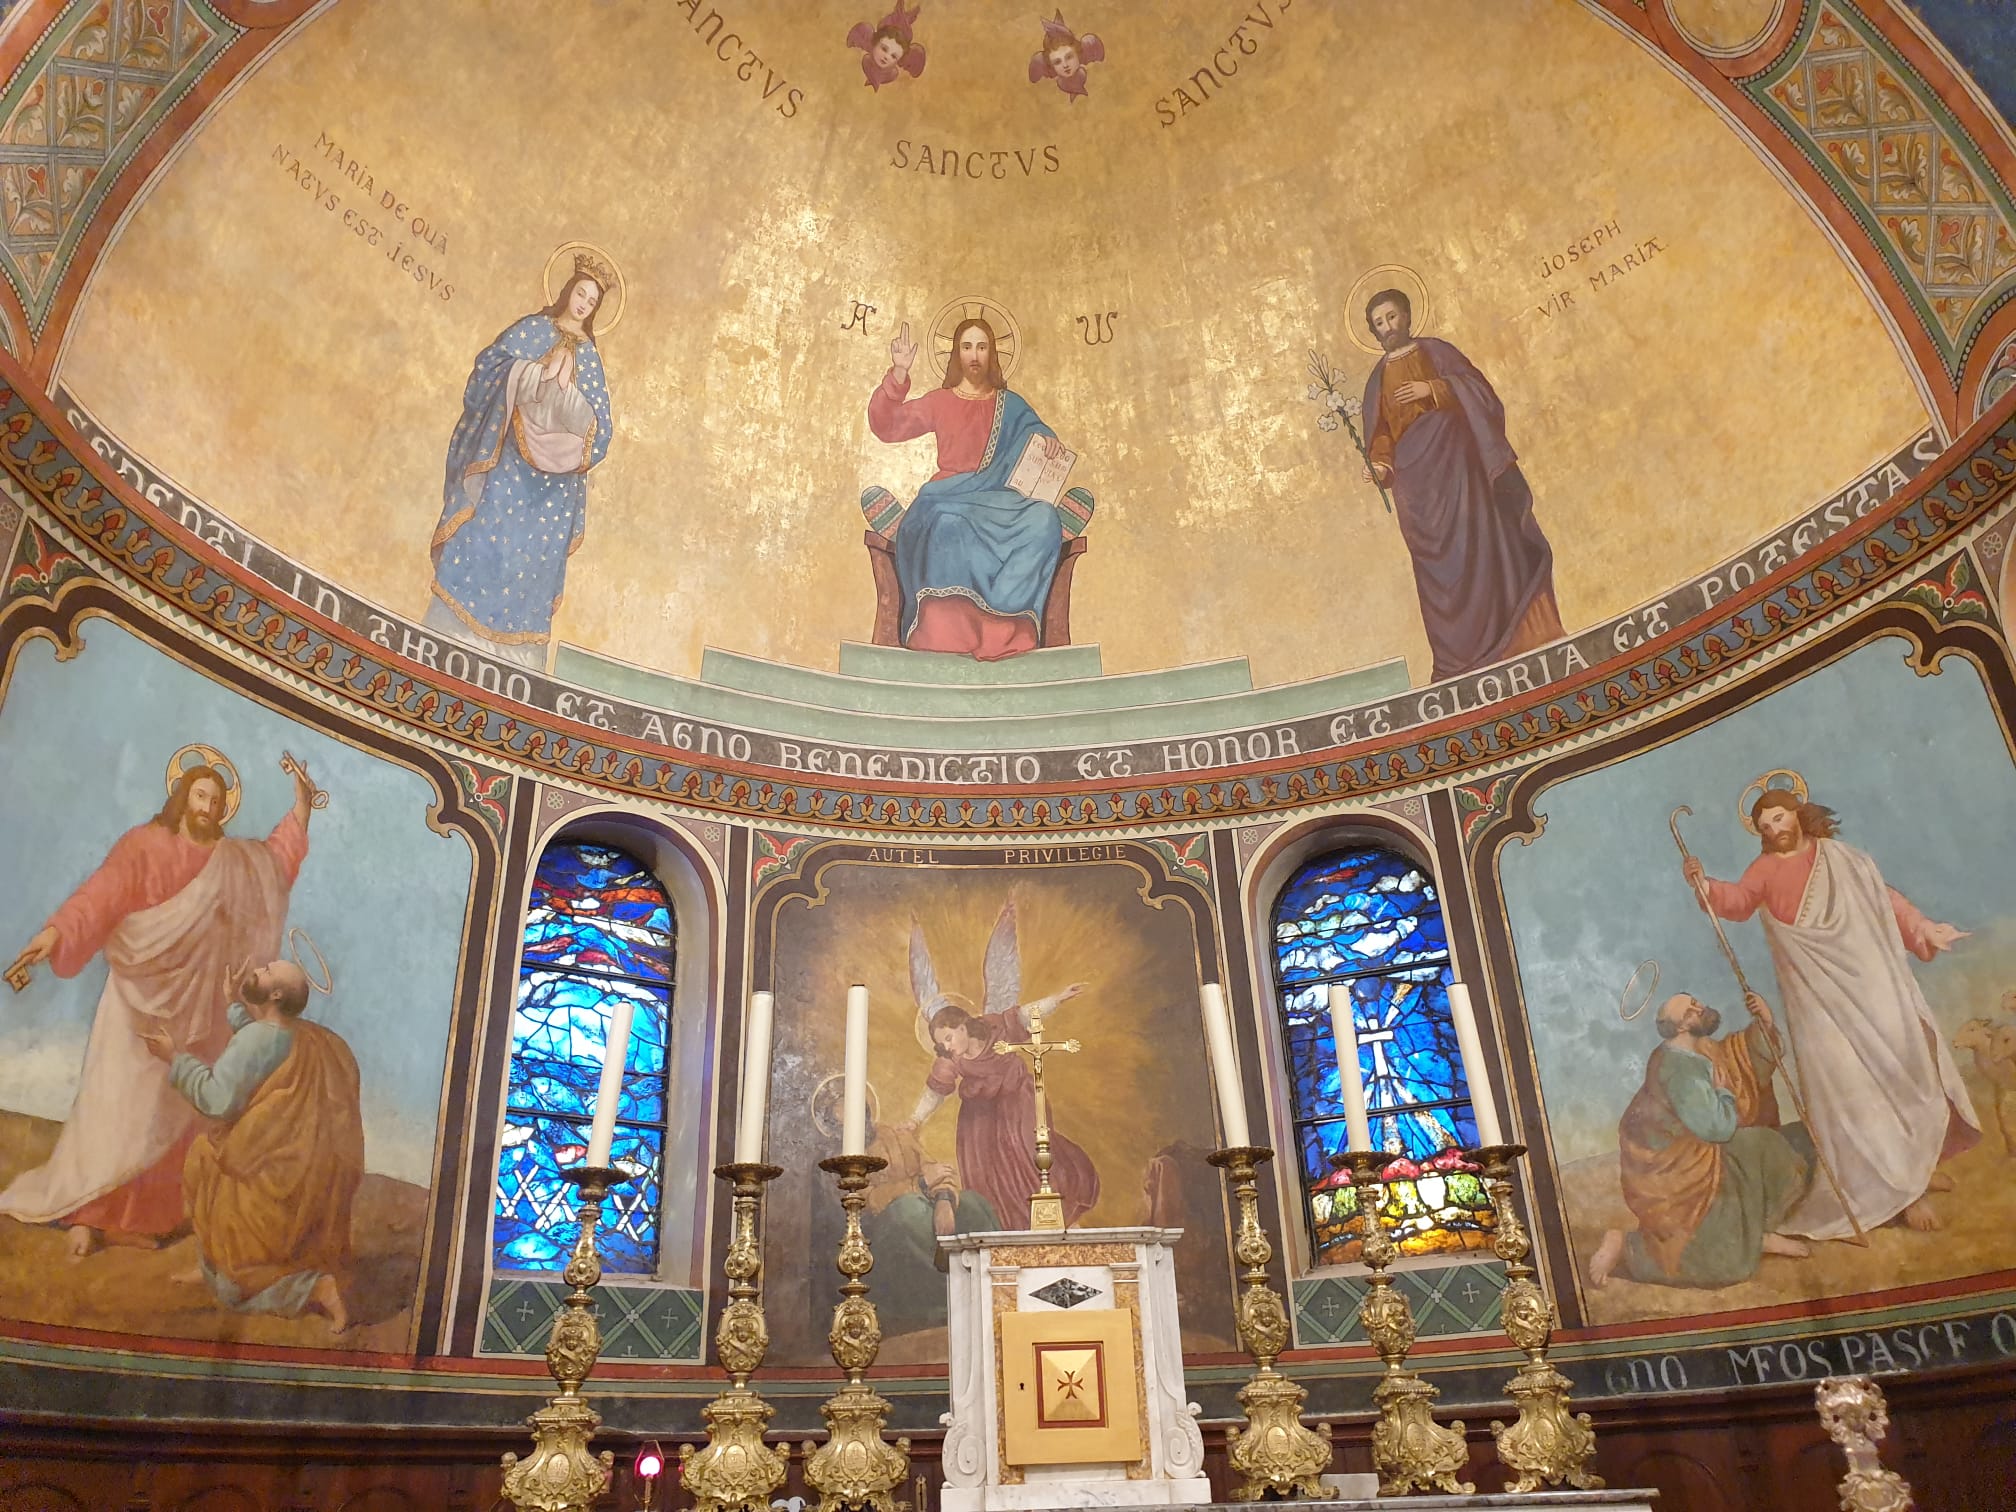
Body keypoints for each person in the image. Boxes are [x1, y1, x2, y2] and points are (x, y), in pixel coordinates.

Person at [1, 755, 316, 1258]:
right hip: (137, 998)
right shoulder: (145, 845)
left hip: (200, 1010)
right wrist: (56, 933)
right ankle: (86, 1215)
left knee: (173, 1114)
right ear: (182, 796)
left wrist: (301, 806)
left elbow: (275, 865)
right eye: (200, 796)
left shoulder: (236, 861)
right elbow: (101, 895)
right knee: (117, 1104)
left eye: (216, 801)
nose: (207, 807)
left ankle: (143, 1219)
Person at [1683, 786, 1981, 1235]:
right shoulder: (1764, 870)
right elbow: (1739, 902)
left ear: (1797, 813)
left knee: (1903, 1071)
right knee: (1850, 1088)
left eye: (1779, 818)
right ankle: (1897, 1189)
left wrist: (1924, 929)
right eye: (1765, 826)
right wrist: (1704, 885)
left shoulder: (1842, 860)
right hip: (1817, 1001)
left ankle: (1915, 1171)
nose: (1774, 829)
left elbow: (1884, 901)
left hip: (1873, 985)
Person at [142, 958, 363, 1335]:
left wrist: (174, 1058)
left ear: (274, 995)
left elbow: (217, 1100)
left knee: (205, 1160)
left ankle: (313, 1288)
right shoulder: (303, 1035)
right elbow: (260, 1046)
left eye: (266, 971)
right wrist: (234, 1004)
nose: (257, 970)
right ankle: (212, 1268)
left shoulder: (257, 1040)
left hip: (263, 1174)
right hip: (293, 1169)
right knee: (206, 1156)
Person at [1358, 288, 1563, 679]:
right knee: (1441, 574)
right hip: (1418, 490)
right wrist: (1380, 468)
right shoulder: (1376, 382)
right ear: (1373, 331)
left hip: (1459, 469)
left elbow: (1482, 394)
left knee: (1480, 548)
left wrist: (1435, 389)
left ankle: (1509, 640)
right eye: (1379, 322)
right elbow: (1380, 436)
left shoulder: (1436, 352)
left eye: (1392, 316)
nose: (1388, 326)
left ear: (1407, 316)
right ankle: (1459, 661)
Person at [427, 251, 617, 669]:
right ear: (568, 291)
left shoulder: (589, 359)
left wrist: (569, 403)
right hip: (505, 465)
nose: (583, 305)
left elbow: (600, 432)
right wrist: (528, 376)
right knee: (482, 539)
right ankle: (447, 632)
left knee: (528, 565)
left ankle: (514, 660)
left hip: (550, 496)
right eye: (580, 294)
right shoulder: (533, 329)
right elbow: (488, 368)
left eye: (592, 302)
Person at [867, 315, 1067, 660]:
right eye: (967, 347)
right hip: (949, 499)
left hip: (1000, 503)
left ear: (992, 354)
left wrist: (1049, 441)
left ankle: (1006, 625)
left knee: (1046, 520)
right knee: (949, 525)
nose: (974, 355)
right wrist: (898, 373)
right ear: (956, 354)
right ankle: (949, 630)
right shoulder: (940, 401)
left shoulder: (1011, 405)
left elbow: (1038, 434)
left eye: (982, 347)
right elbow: (887, 425)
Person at [1589, 991, 1814, 1290]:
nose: (1700, 1007)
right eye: (1691, 1009)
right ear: (1682, 1026)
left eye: (1695, 1002)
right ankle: (1626, 1245)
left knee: (1764, 1146)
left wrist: (1766, 1022)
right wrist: (1723, 1093)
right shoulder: (1680, 1070)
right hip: (1678, 1172)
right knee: (1723, 1264)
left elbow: (1737, 1057)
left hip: (1696, 1154)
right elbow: (1717, 1129)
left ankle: (1758, 1234)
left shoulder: (1697, 1049)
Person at [895, 985, 1100, 1227]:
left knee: (1030, 1154)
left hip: (1019, 1107)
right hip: (981, 1122)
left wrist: (1057, 998)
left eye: (949, 1038)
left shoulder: (994, 1028)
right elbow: (934, 1092)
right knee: (991, 1174)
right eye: (942, 1043)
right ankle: (1011, 1229)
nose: (947, 1047)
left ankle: (1057, 1219)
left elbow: (1025, 1015)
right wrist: (915, 1119)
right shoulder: (950, 1059)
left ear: (963, 1026)